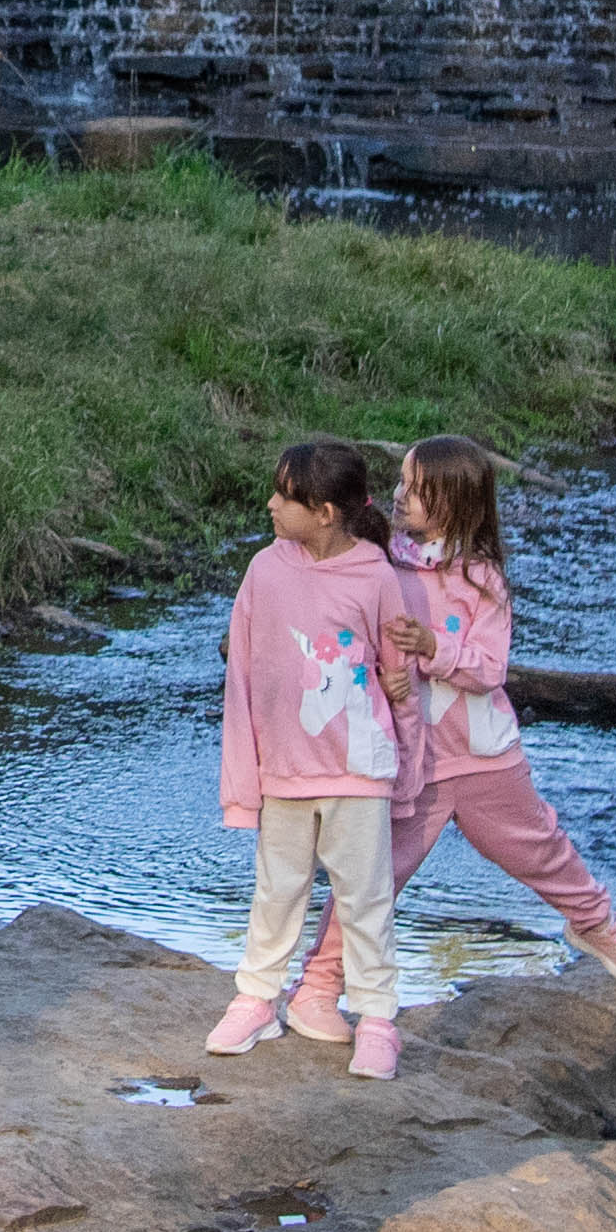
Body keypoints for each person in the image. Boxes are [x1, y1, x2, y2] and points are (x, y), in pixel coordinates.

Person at [289, 433, 616, 1040]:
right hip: (408, 760)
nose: (401, 494)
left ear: (457, 501)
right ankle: (318, 986)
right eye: (402, 483)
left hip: (486, 756)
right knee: (371, 872)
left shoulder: (483, 578)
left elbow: (490, 669)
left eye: (416, 487)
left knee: (541, 846)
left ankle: (597, 925)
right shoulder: (384, 561)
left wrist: (434, 647)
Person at [206, 437, 408, 1079]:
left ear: (323, 512)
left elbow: (397, 669)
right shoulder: (266, 569)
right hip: (286, 769)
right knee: (277, 891)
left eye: (283, 496)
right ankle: (257, 1000)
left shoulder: (376, 573)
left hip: (358, 768)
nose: (270, 504)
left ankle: (377, 1019)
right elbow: (243, 669)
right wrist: (245, 775)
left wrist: (404, 704)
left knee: (365, 897)